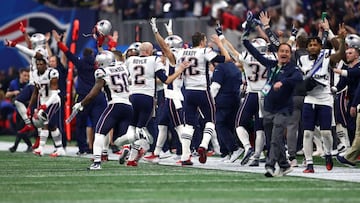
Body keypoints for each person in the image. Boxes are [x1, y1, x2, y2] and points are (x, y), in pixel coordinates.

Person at [150, 17, 231, 164]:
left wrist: (156, 32)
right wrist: (220, 43)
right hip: (203, 90)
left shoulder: (182, 53)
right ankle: (203, 145)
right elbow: (226, 59)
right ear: (202, 42)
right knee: (210, 121)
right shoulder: (204, 51)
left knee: (188, 125)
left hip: (188, 93)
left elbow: (166, 49)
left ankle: (185, 157)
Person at [242, 18, 303, 177]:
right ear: (278, 53)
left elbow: (298, 79)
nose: (283, 53)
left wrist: (282, 82)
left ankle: (270, 166)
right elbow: (255, 53)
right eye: (281, 51)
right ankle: (284, 165)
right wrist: (245, 36)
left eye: (286, 52)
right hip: (268, 107)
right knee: (272, 139)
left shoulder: (293, 69)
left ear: (290, 54)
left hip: (283, 109)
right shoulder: (272, 64)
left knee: (276, 137)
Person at [115, 41, 190, 167]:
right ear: (149, 51)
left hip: (132, 96)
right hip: (147, 97)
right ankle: (132, 154)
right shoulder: (154, 60)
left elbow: (123, 77)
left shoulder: (131, 60)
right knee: (141, 128)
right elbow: (166, 80)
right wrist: (179, 70)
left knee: (132, 126)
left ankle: (128, 149)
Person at [70, 50, 132, 170]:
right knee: (122, 135)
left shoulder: (102, 72)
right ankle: (127, 147)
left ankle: (97, 162)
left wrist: (81, 104)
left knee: (99, 132)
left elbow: (94, 93)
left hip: (115, 105)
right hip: (128, 106)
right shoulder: (123, 67)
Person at [299, 20, 346, 173]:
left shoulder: (327, 57)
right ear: (307, 48)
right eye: (310, 45)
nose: (313, 47)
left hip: (325, 98)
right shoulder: (302, 59)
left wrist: (343, 39)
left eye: (316, 44)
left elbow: (341, 55)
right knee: (307, 132)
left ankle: (327, 153)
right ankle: (309, 163)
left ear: (320, 46)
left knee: (326, 132)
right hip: (309, 98)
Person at [53, 30, 107, 155]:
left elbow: (68, 54)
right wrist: (101, 40)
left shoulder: (80, 62)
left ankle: (82, 148)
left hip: (82, 96)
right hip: (97, 95)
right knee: (97, 124)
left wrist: (60, 43)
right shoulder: (97, 64)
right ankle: (97, 149)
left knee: (81, 124)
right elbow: (105, 55)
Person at [28, 54, 65, 157]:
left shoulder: (52, 73)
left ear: (46, 64)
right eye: (38, 64)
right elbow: (36, 92)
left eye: (41, 64)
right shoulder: (35, 74)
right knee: (52, 125)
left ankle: (41, 148)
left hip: (53, 101)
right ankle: (60, 148)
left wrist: (45, 106)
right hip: (44, 101)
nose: (39, 66)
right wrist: (29, 106)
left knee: (46, 122)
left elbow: (54, 93)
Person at [6, 68, 33, 152]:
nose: (26, 77)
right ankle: (30, 145)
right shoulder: (14, 83)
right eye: (24, 75)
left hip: (27, 110)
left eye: (28, 76)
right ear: (20, 74)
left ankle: (15, 146)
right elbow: (7, 95)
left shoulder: (30, 85)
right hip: (18, 110)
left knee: (21, 129)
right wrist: (14, 93)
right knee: (19, 130)